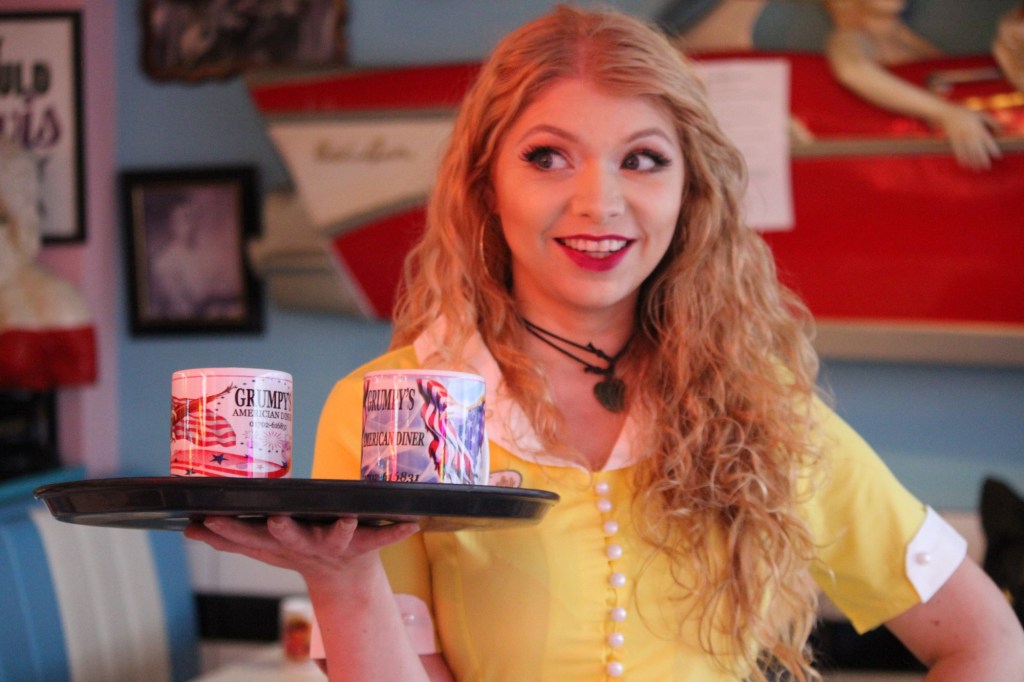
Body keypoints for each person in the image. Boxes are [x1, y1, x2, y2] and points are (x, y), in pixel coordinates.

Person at [185, 6, 1024, 680]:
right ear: (486, 184)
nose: (600, 202)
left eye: (643, 159)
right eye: (548, 157)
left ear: (691, 191)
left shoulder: (759, 406)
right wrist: (339, 578)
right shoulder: (393, 409)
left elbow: (987, 642)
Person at [823, 0, 1004, 171]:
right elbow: (852, 70)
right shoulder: (852, 37)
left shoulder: (911, 42)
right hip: (902, 164)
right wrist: (948, 113)